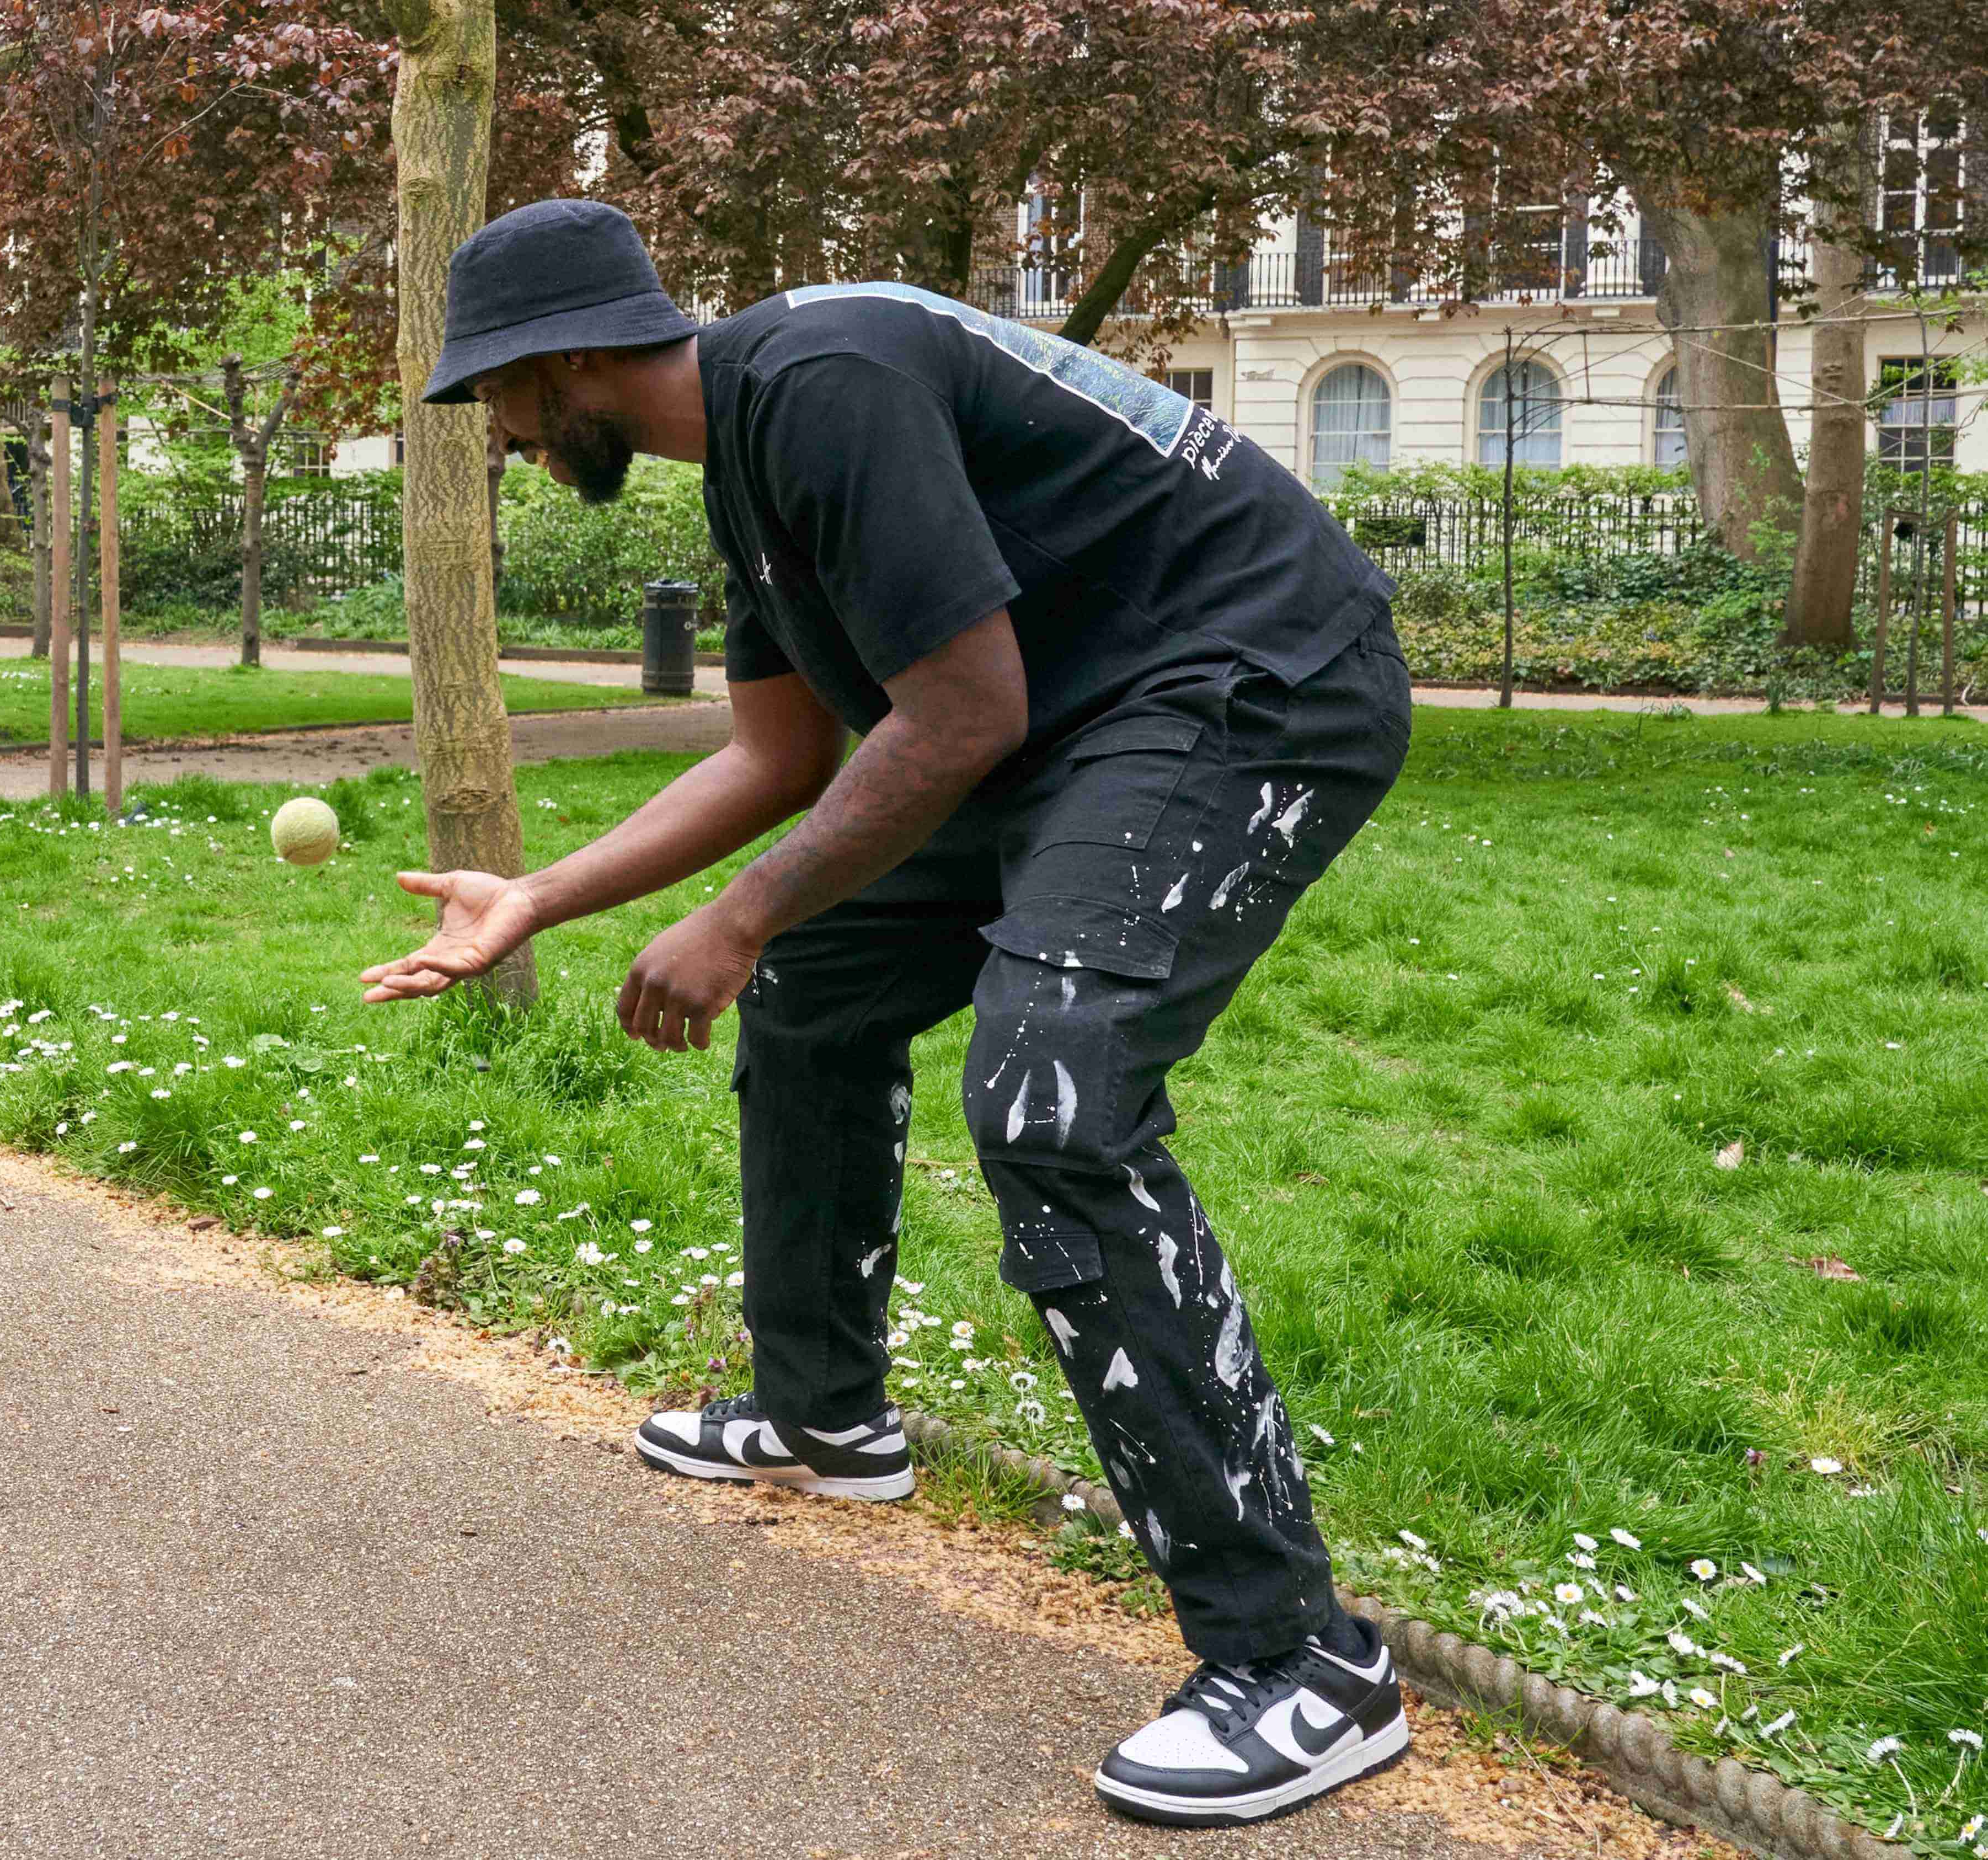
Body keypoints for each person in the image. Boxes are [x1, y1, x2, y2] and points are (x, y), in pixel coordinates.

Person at [361, 199, 1417, 1827]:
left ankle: (1300, 1663)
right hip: (1054, 728)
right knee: (814, 991)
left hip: (1241, 683)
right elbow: (776, 759)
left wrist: (733, 913)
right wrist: (538, 897)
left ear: (562, 360)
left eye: (490, 398)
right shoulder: (749, 470)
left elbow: (961, 709)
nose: (495, 436)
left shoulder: (824, 378)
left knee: (1053, 1104)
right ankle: (823, 1408)